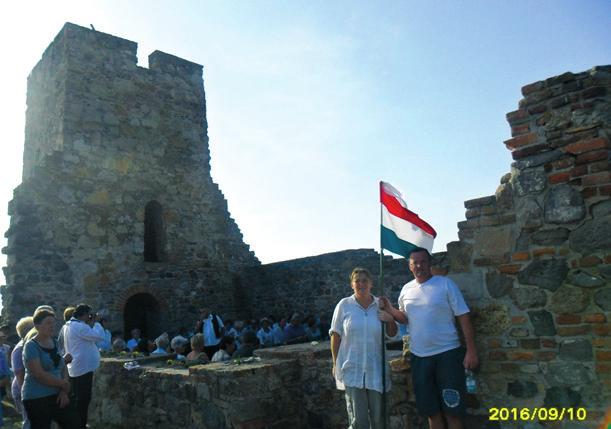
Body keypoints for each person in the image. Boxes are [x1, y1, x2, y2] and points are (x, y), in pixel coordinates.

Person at [382, 247, 478, 429]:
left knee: (453, 411)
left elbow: (464, 316)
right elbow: (405, 317)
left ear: (429, 263)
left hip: (448, 355)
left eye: (423, 261)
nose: (419, 265)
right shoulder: (406, 290)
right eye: (415, 263)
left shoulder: (445, 284)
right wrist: (390, 309)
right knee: (431, 412)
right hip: (419, 358)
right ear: (410, 266)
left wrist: (471, 351)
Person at [330, 267, 397, 429]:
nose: (361, 284)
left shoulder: (380, 305)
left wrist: (390, 319)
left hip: (376, 370)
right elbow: (335, 335)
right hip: (353, 368)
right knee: (358, 421)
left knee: (379, 419)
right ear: (351, 285)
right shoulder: (344, 305)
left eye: (364, 280)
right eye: (357, 281)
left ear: (371, 283)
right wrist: (334, 363)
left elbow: (392, 334)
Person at [22, 309, 79, 428]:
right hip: (37, 397)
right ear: (37, 326)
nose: (52, 326)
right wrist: (63, 384)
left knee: (73, 424)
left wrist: (64, 391)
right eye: (48, 323)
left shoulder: (55, 342)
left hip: (58, 395)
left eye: (53, 322)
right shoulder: (31, 346)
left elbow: (62, 367)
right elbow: (38, 374)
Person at [64, 304, 107, 429]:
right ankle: (80, 425)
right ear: (84, 315)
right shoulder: (79, 326)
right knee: (83, 400)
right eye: (89, 314)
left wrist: (90, 322)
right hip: (83, 368)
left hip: (76, 367)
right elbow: (100, 337)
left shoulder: (69, 325)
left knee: (77, 399)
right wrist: (97, 323)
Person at [12, 316, 34, 429]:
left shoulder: (32, 345)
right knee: (29, 420)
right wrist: (26, 396)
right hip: (23, 389)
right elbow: (20, 374)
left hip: (30, 388)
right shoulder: (19, 349)